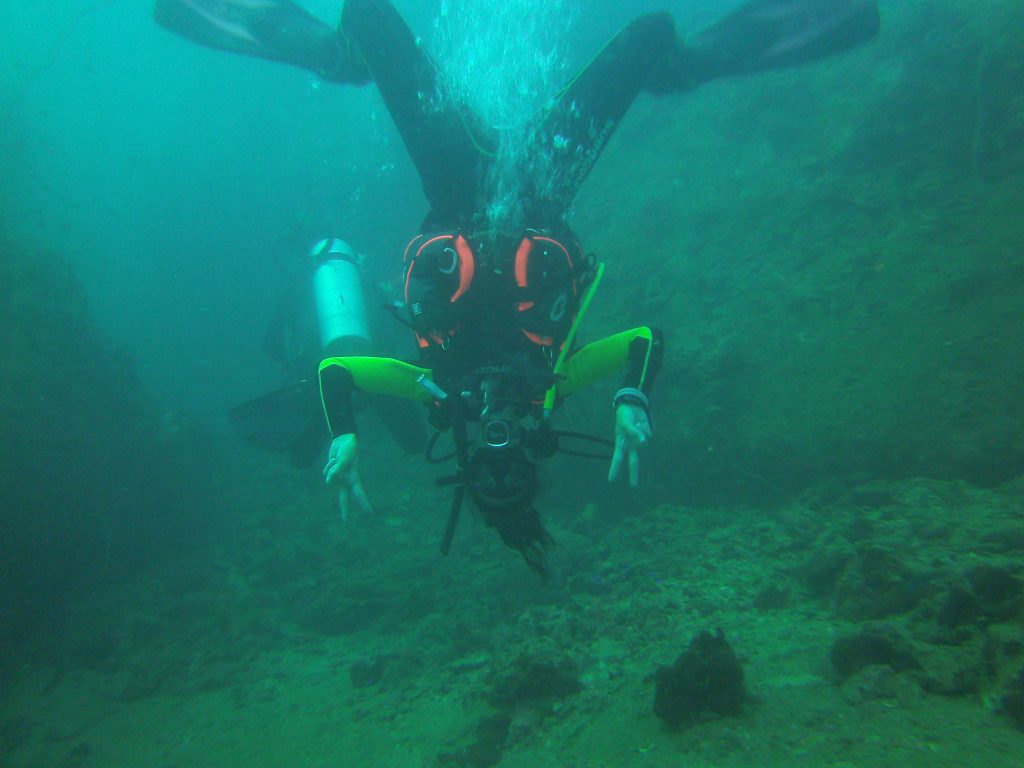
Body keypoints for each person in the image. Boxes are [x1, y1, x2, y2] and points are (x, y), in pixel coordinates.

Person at [154, 0, 881, 575]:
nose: (500, 462)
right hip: (541, 186)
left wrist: (344, 432)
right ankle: (686, 66)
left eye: (488, 478)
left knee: (369, 17)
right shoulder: (550, 391)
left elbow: (336, 371)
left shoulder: (437, 394)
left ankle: (330, 54)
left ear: (469, 469)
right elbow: (644, 341)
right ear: (532, 464)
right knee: (652, 34)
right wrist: (631, 398)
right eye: (514, 478)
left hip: (454, 184)